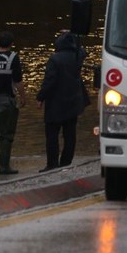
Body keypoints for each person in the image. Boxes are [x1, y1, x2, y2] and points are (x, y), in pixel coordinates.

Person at [36, 31, 88, 172]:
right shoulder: (78, 56)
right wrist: (73, 35)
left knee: (52, 135)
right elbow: (81, 49)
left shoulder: (55, 59)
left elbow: (50, 81)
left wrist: (40, 97)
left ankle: (52, 164)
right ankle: (66, 162)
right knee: (70, 134)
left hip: (55, 103)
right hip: (73, 102)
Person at [0, 31, 26, 176]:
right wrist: (23, 97)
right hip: (7, 101)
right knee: (6, 135)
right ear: (12, 44)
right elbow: (18, 81)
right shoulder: (13, 58)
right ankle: (4, 167)